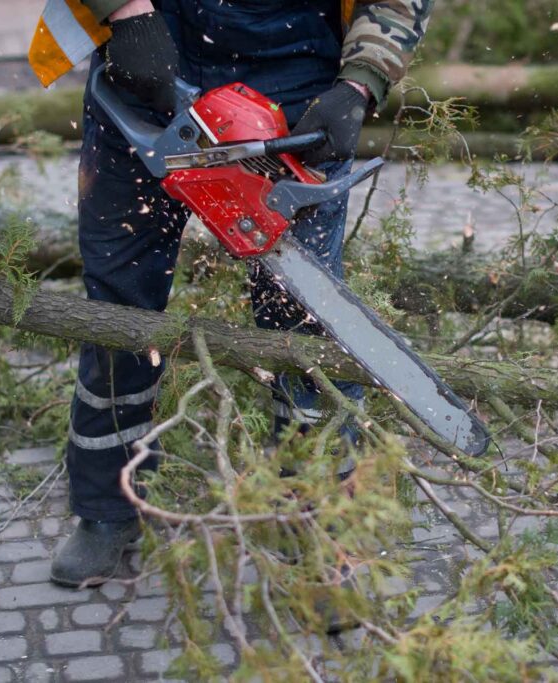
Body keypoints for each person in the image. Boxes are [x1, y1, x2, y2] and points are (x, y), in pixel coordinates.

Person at [26, 0, 433, 587]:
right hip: (150, 47)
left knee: (306, 319)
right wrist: (126, 10)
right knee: (117, 302)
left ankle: (314, 530)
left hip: (294, 71)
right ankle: (106, 510)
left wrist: (362, 79)